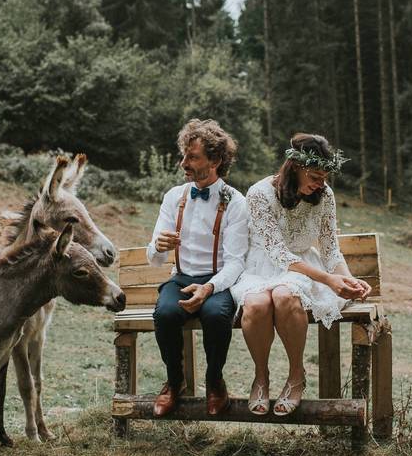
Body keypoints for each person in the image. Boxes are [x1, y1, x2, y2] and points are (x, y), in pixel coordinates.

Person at [231, 133, 371, 416]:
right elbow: (279, 255)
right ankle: (261, 375)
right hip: (260, 267)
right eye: (316, 177)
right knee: (257, 304)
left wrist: (347, 278)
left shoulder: (325, 196)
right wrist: (329, 280)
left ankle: (296, 375)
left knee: (285, 295)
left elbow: (330, 250)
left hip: (303, 270)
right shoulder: (259, 194)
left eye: (325, 178)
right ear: (295, 166)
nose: (321, 184)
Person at [147, 119, 248, 417]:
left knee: (216, 315)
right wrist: (158, 247)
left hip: (218, 281)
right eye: (184, 156)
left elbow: (236, 263)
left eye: (192, 157)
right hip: (180, 278)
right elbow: (155, 258)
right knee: (164, 313)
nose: (183, 164)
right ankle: (174, 382)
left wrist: (208, 288)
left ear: (215, 160)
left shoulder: (235, 202)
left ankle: (215, 381)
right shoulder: (173, 197)